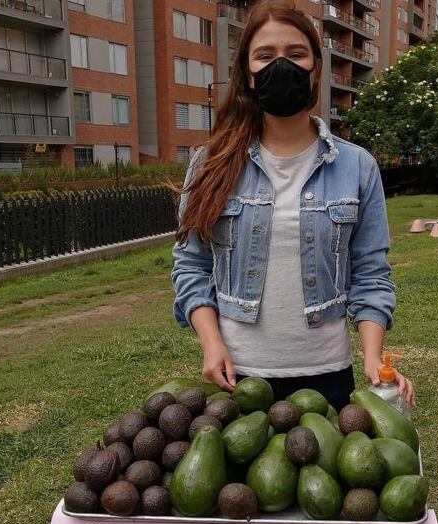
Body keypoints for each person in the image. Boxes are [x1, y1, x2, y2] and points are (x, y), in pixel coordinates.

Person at [171, 0, 414, 412]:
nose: (280, 66)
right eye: (265, 56)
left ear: (316, 67)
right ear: (247, 74)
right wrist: (211, 345)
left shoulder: (357, 166)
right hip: (237, 377)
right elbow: (191, 265)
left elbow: (371, 273)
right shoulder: (210, 164)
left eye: (296, 54)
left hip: (327, 378)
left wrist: (373, 356)